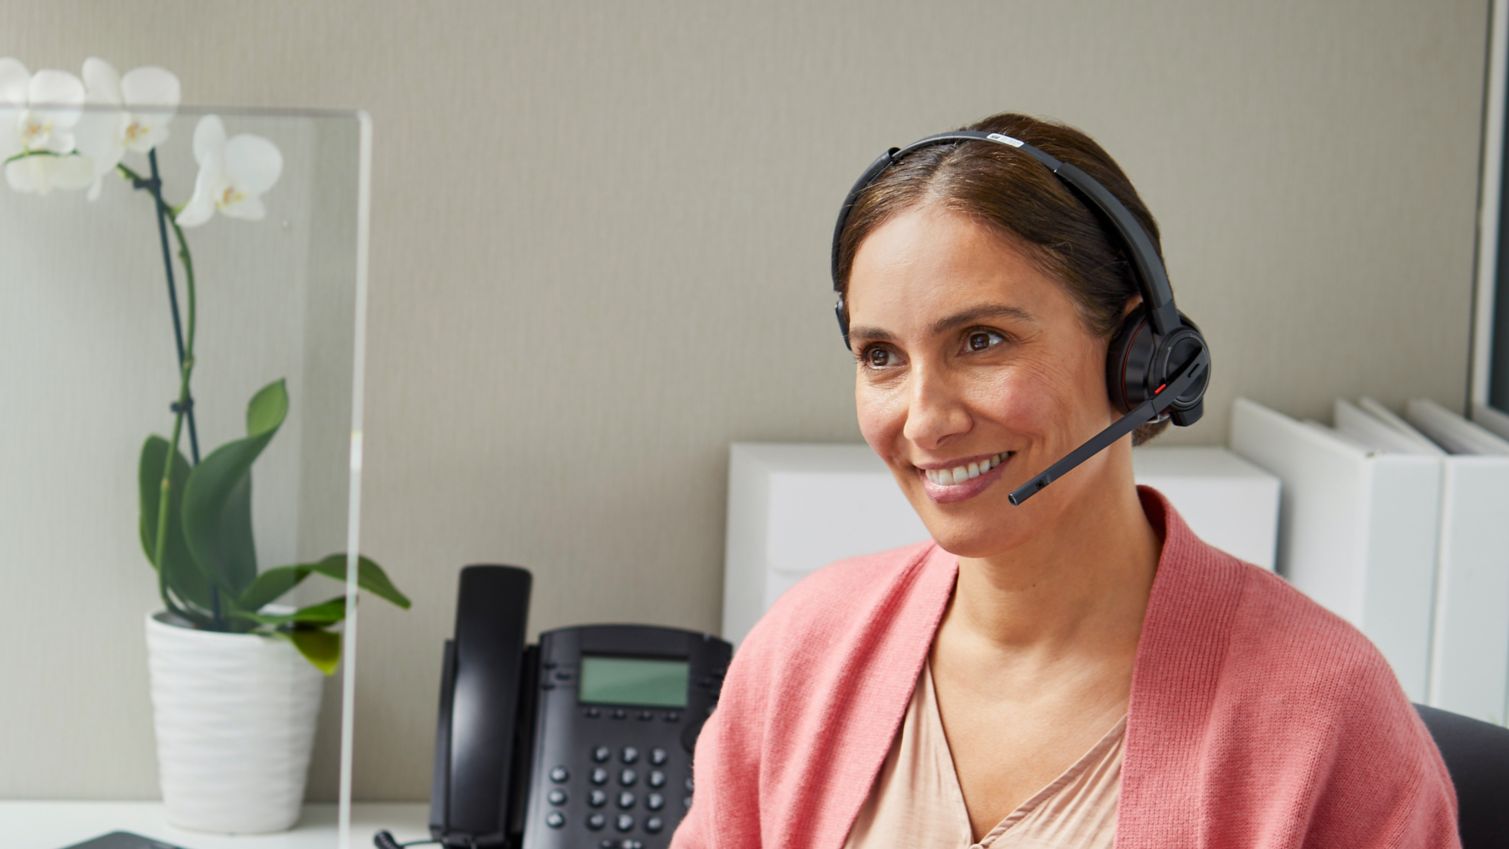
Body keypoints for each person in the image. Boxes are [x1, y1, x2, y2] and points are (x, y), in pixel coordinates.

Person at [669, 112, 1459, 848]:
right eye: (881, 356)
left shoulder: (1326, 712)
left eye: (980, 340)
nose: (923, 420)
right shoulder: (804, 651)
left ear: (1139, 356)